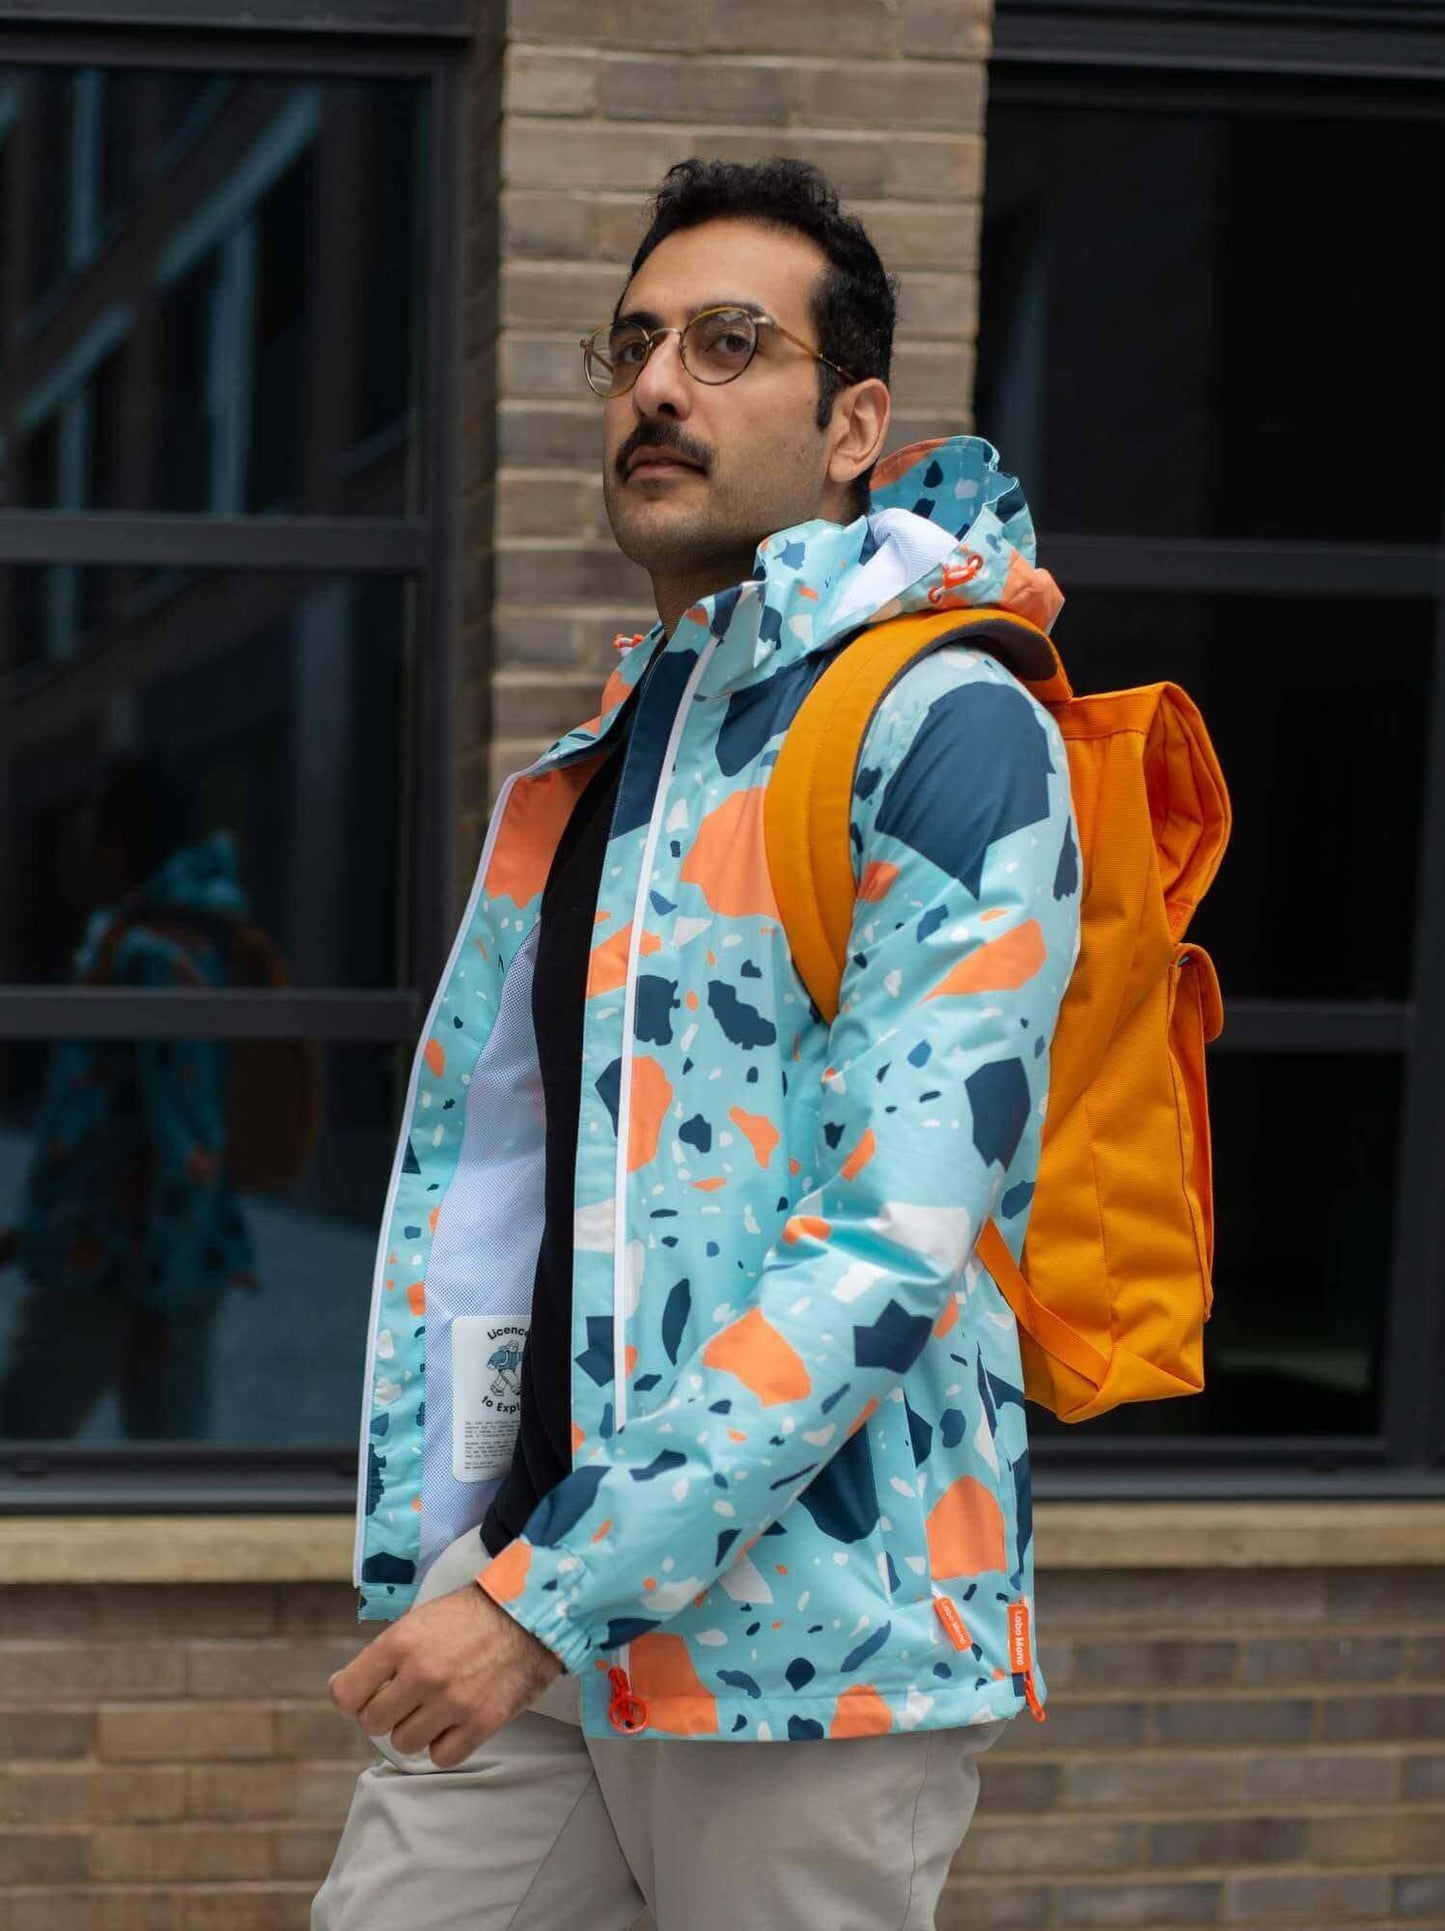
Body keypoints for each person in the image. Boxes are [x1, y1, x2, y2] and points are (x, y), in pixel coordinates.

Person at [319, 158, 1080, 1931]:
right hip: (546, 1591)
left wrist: (538, 1597)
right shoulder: (620, 755)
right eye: (639, 342)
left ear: (851, 424)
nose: (659, 385)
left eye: (733, 343)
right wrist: (493, 1563)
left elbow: (893, 1236)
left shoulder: (950, 721)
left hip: (810, 1658)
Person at [0, 756, 257, 1439]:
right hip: (133, 1250)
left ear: (119, 844)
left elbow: (187, 1123)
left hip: (122, 1257)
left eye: (92, 835)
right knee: (166, 1453)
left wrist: (168, 1275)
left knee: (32, 1434)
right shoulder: (156, 937)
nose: (82, 856)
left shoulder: (154, 951)